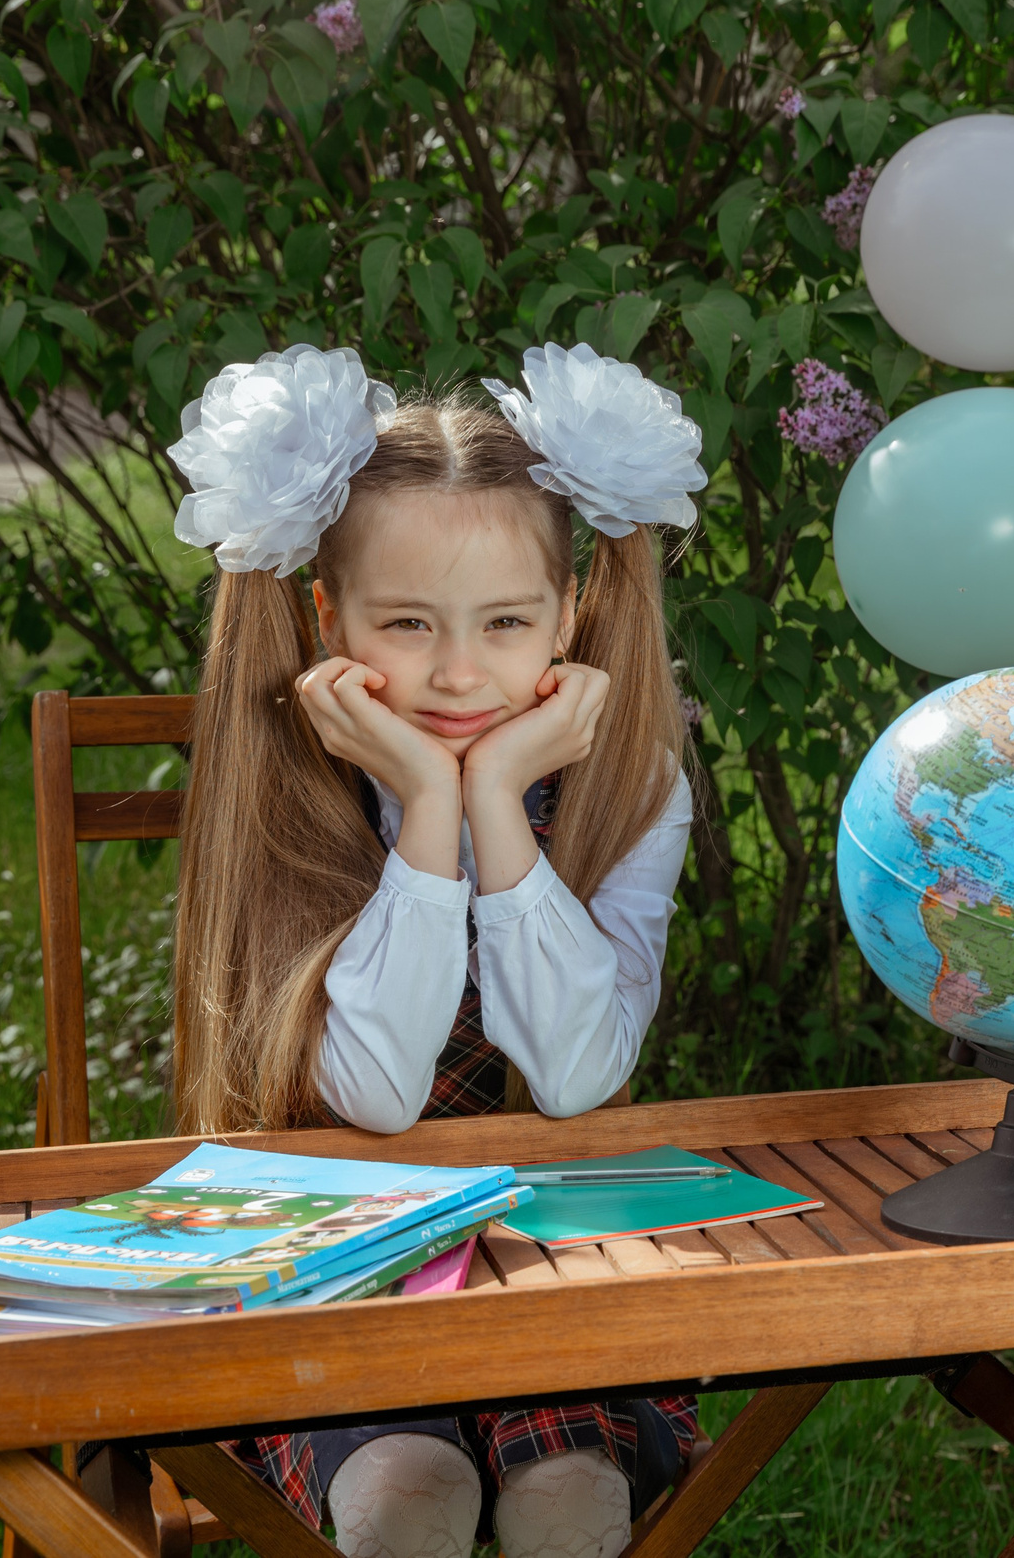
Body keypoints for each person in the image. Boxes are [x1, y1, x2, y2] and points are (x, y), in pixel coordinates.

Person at [166, 342, 712, 1558]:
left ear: (569, 616)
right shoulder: (283, 790)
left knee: (567, 1492)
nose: (460, 671)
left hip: (548, 1250)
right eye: (407, 623)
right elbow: (372, 1093)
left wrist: (500, 804)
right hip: (328, 1252)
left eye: (506, 621)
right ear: (329, 617)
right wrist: (426, 803)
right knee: (404, 1490)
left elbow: (575, 1077)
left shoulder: (633, 788)